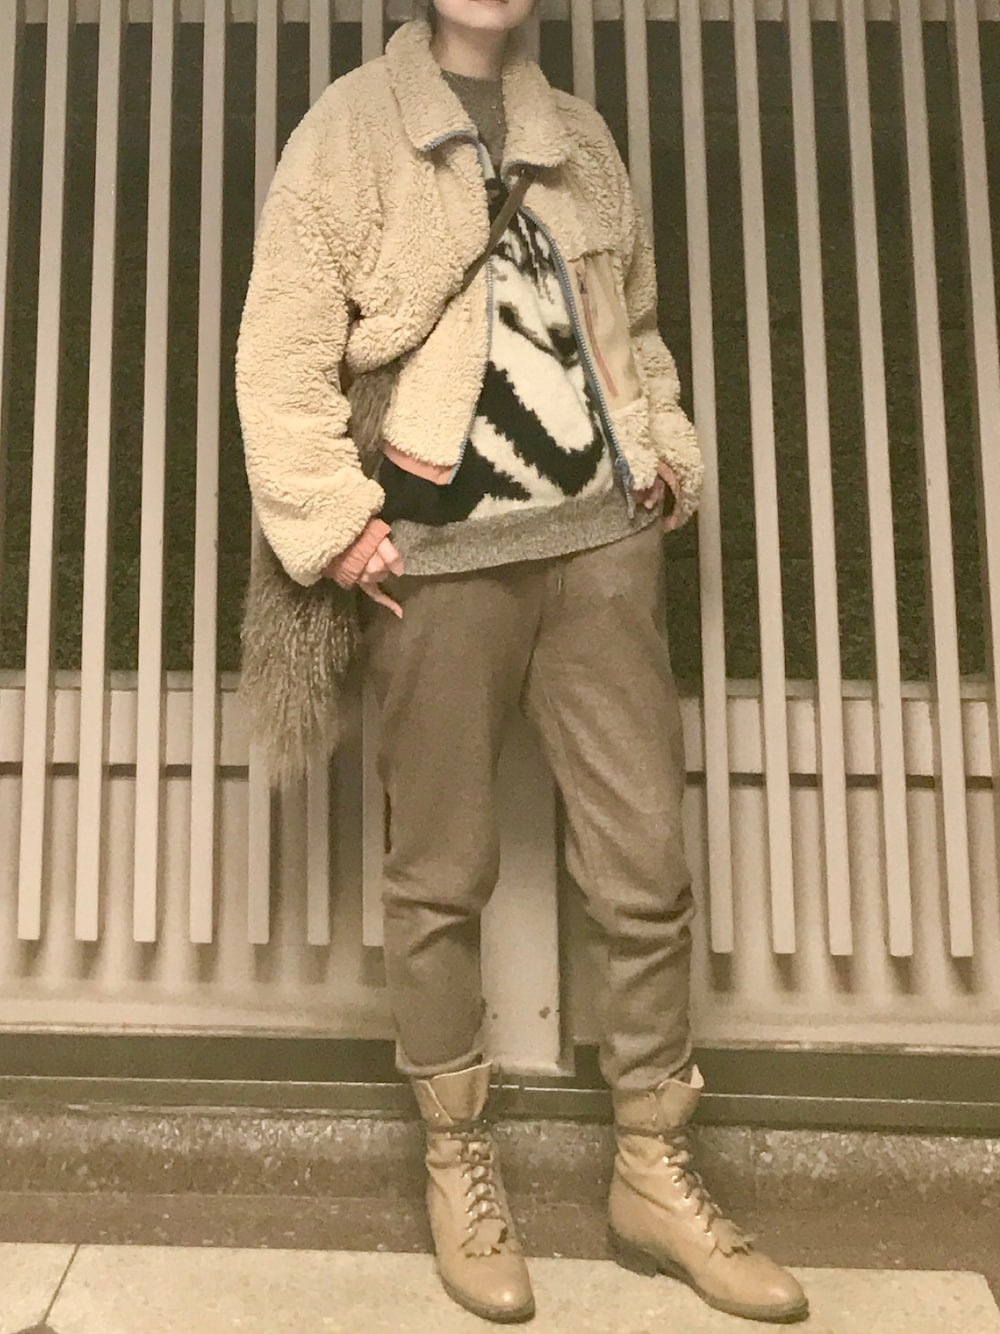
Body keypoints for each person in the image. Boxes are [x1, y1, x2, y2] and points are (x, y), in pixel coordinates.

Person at [236, 0, 808, 1324]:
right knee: (437, 876)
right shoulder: (346, 132)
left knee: (647, 871)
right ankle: (458, 1162)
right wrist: (337, 525)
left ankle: (655, 1172)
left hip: (602, 553)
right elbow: (280, 357)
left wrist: (665, 455)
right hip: (438, 567)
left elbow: (637, 327)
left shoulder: (582, 138)